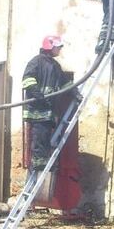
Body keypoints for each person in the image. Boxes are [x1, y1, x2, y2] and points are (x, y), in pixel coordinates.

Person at [21, 36, 67, 177]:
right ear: (49, 46)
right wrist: (36, 93)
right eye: (57, 47)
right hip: (37, 109)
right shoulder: (36, 61)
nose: (59, 50)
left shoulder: (55, 66)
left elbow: (64, 83)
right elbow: (27, 79)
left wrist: (75, 92)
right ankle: (39, 163)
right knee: (39, 136)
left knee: (45, 136)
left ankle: (43, 160)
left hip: (48, 110)